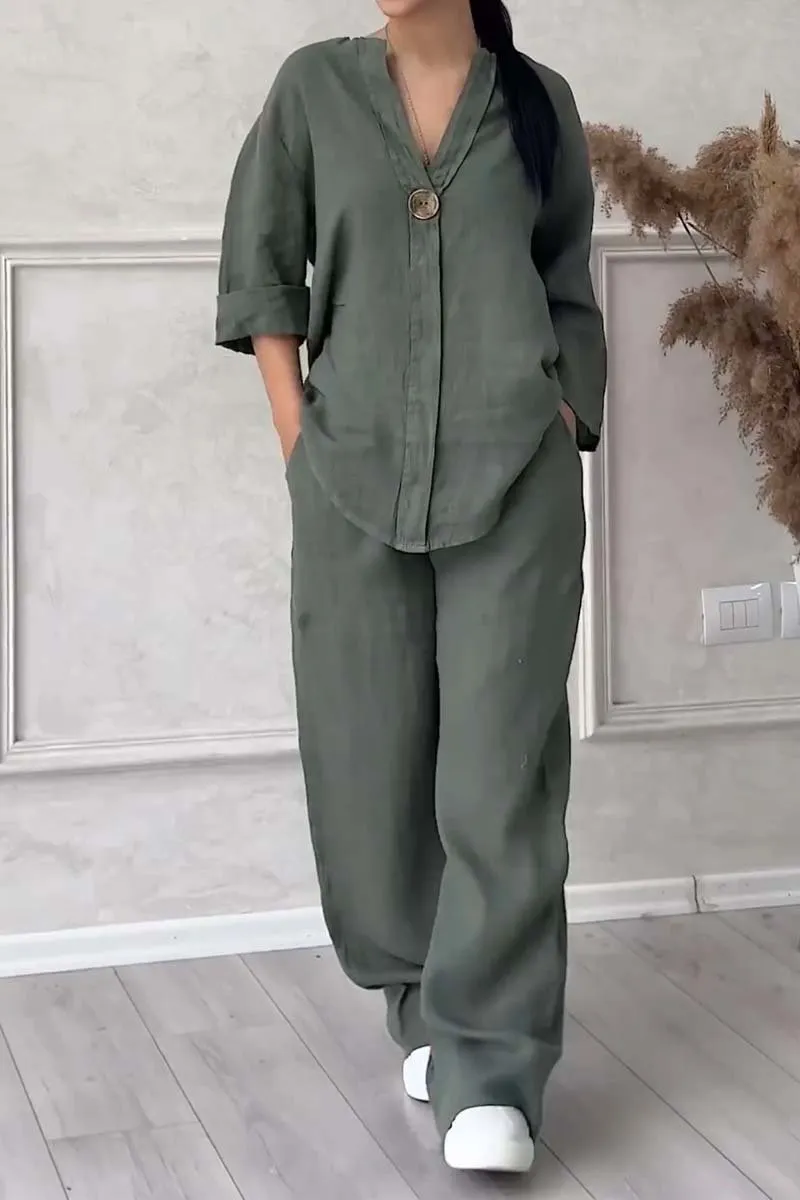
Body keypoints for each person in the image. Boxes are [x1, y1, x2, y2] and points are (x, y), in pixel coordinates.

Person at [216, 0, 606, 1175]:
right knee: (367, 763)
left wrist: (563, 412)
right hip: (348, 480)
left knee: (498, 776)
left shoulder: (539, 104)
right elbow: (263, 271)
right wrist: (298, 441)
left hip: (514, 476)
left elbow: (566, 282)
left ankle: (490, 1065)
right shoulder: (312, 90)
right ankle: (425, 1010)